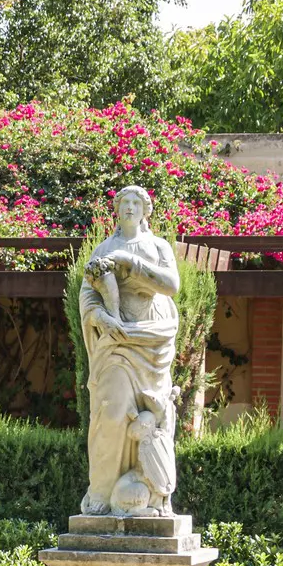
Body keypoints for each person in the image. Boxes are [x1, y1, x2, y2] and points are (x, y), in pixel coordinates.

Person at [79, 185, 179, 516]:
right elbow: (88, 293)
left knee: (153, 417)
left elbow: (171, 286)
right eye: (125, 202)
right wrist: (100, 317)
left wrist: (130, 262)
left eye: (137, 202)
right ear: (117, 210)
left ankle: (150, 492)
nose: (131, 207)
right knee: (112, 411)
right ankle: (103, 492)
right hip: (115, 341)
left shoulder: (158, 246)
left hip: (152, 340)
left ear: (146, 210)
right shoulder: (103, 247)